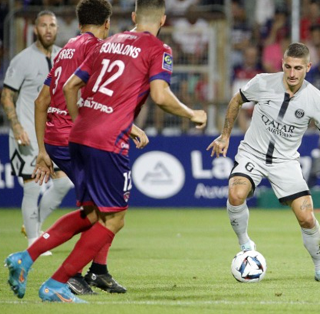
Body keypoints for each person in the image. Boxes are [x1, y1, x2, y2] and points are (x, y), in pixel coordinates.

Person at [5, 0, 208, 303]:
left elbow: (72, 86)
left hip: (78, 136)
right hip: (107, 141)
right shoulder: (157, 49)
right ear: (163, 19)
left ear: (135, 16)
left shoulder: (108, 42)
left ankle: (26, 257)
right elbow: (160, 95)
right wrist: (193, 114)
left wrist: (83, 121)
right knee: (113, 219)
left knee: (90, 214)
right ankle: (59, 281)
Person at [207, 42, 320, 283]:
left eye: (298, 68)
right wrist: (225, 135)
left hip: (286, 162)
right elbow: (236, 100)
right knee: (236, 193)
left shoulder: (315, 98)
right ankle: (245, 244)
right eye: (288, 67)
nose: (291, 73)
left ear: (308, 67)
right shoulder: (262, 82)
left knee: (306, 217)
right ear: (282, 64)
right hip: (253, 154)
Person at [33, 0, 141, 296]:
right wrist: (128, 127)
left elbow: (41, 101)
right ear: (107, 23)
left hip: (57, 139)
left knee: (101, 207)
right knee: (105, 211)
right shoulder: (96, 48)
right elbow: (97, 99)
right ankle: (72, 274)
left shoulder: (65, 49)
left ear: (79, 22)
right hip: (77, 137)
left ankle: (98, 271)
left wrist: (42, 150)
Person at [1, 10, 67, 256]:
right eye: (43, 25)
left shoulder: (64, 56)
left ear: (57, 29)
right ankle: (32, 241)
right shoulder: (22, 60)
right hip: (27, 132)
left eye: (52, 25)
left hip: (54, 134)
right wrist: (16, 126)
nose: (48, 29)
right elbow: (6, 95)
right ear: (35, 29)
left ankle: (33, 225)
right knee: (32, 187)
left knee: (64, 184)